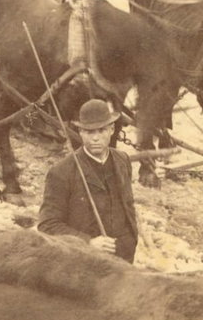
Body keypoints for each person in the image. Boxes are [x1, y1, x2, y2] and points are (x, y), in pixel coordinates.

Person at [37, 99, 139, 263]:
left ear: (112, 130)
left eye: (102, 130)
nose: (96, 138)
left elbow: (128, 206)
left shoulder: (122, 160)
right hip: (86, 263)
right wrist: (87, 242)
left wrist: (131, 239)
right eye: (90, 132)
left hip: (125, 258)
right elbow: (47, 225)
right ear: (81, 132)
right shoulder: (61, 172)